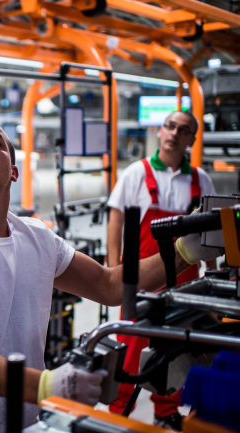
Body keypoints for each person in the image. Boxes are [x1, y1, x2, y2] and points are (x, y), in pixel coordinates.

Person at [0, 117, 220, 432]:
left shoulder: (38, 238)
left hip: (24, 422)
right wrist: (47, 385)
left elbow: (109, 285)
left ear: (14, 171)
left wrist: (184, 252)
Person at [106, 110, 216, 429]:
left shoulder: (201, 179)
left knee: (178, 347)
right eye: (170, 126)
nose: (174, 133)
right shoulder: (135, 174)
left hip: (184, 284)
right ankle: (117, 411)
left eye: (183, 130)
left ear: (191, 140)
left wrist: (211, 272)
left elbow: (209, 230)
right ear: (159, 131)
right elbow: (116, 220)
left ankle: (165, 409)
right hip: (138, 279)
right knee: (130, 345)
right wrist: (115, 271)